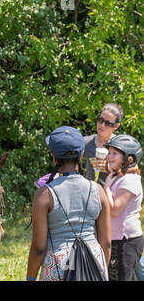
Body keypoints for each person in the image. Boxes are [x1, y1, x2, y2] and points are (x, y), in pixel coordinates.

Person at [27, 126, 111, 281]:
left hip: (59, 265)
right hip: (94, 258)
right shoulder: (98, 190)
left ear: (53, 157)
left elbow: (39, 248)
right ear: (82, 154)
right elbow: (106, 243)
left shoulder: (44, 195)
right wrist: (99, 268)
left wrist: (30, 278)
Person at [103, 134, 143, 281]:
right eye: (109, 152)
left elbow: (114, 210)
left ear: (128, 158)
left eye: (115, 153)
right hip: (116, 239)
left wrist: (106, 186)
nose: (109, 156)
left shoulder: (130, 180)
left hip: (126, 242)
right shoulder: (118, 176)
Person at [84, 103, 123, 186]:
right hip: (89, 195)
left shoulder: (121, 146)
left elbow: (131, 175)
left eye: (108, 123)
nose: (102, 125)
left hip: (111, 196)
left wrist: (110, 169)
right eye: (100, 120)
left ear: (116, 126)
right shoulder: (86, 142)